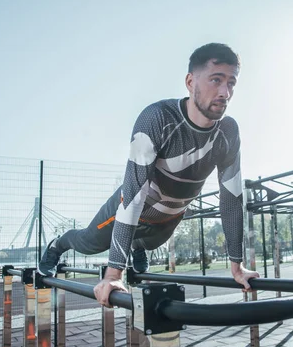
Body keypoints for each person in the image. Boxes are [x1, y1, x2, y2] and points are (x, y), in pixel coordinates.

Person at [38, 43, 259, 306]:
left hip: (169, 217)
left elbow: (232, 198)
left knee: (149, 245)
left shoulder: (228, 131)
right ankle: (56, 246)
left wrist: (237, 266)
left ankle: (136, 246)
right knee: (89, 242)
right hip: (130, 207)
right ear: (190, 82)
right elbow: (133, 196)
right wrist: (114, 273)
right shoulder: (157, 118)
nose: (225, 92)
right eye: (216, 80)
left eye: (231, 83)